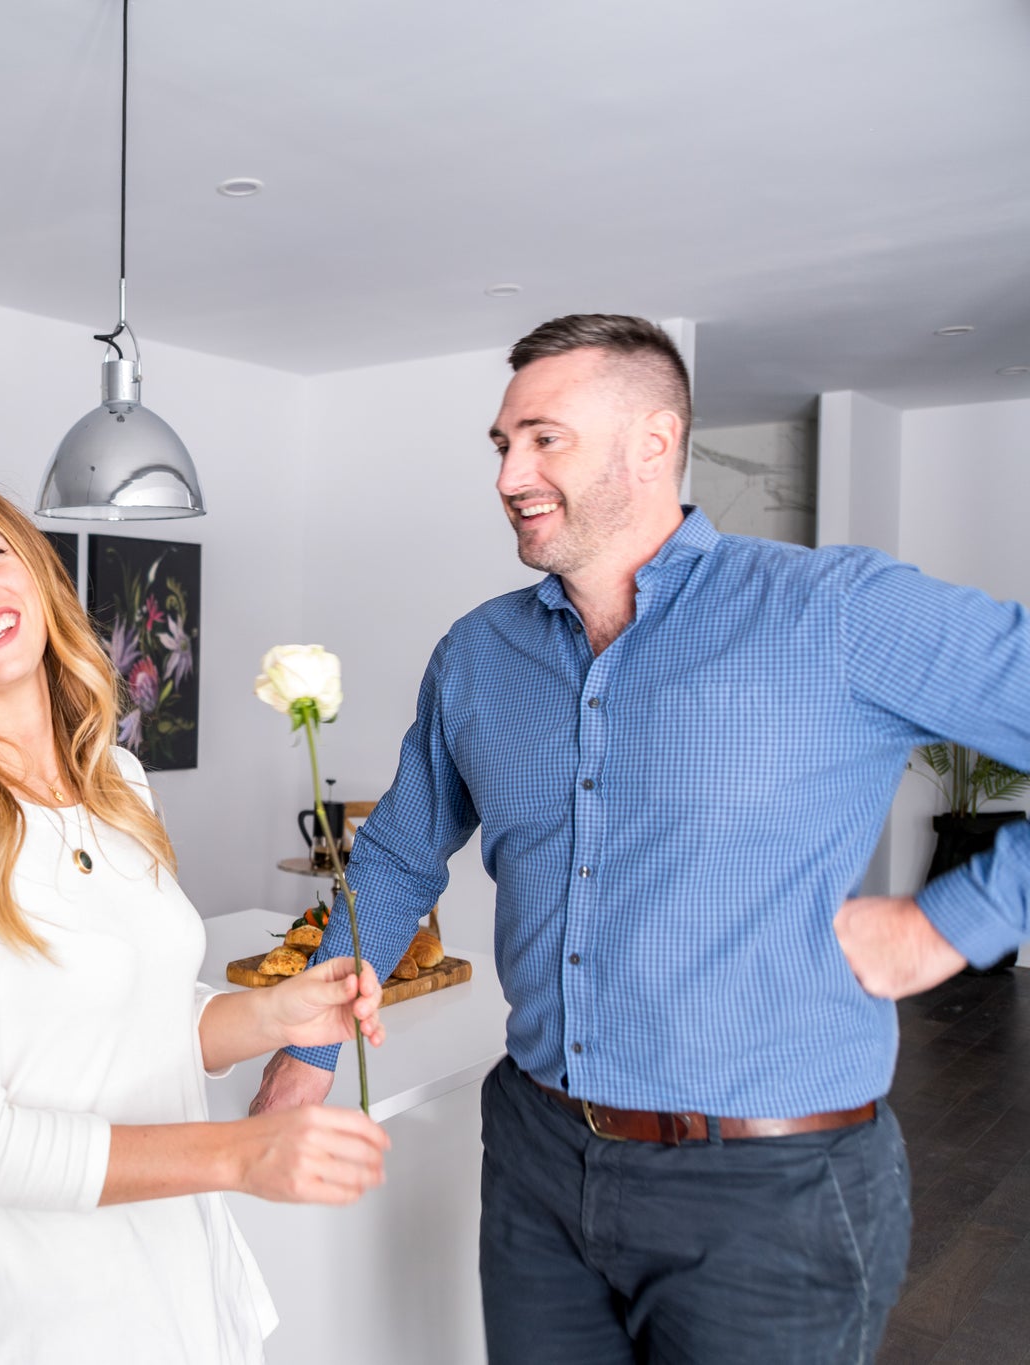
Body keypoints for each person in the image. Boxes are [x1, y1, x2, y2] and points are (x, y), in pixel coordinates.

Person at [251, 313, 1030, 1362]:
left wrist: (954, 922)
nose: (506, 474)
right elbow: (394, 857)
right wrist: (300, 1053)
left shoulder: (833, 612)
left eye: (543, 438)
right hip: (534, 1155)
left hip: (767, 1192)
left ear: (652, 442)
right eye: (499, 444)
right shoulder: (477, 656)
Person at [0, 471, 391, 1365]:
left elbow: (150, 1023)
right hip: (49, 1321)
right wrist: (240, 1154)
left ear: (39, 581)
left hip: (187, 1286)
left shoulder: (118, 783)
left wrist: (274, 1015)